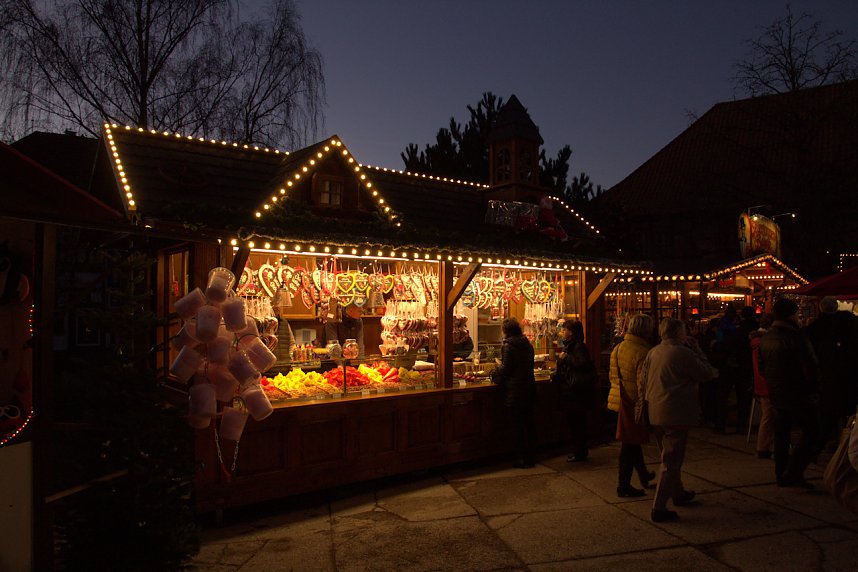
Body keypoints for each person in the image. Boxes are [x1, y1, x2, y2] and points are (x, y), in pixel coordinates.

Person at [639, 317, 715, 523]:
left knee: (667, 455)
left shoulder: (653, 352)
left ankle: (678, 492)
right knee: (671, 461)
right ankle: (659, 506)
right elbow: (706, 373)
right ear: (680, 333)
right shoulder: (682, 353)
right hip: (675, 410)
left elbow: (643, 380)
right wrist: (698, 350)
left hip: (655, 409)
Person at [758, 298, 821, 489]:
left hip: (777, 393)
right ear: (792, 314)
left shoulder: (767, 338)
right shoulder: (796, 337)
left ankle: (782, 473)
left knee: (782, 434)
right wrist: (814, 389)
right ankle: (793, 470)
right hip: (798, 393)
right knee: (813, 433)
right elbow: (810, 368)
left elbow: (762, 368)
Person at [607, 313, 657, 497]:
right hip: (632, 404)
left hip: (618, 400)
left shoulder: (618, 348)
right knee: (629, 446)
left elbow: (613, 377)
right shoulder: (643, 352)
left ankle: (643, 475)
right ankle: (623, 485)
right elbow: (642, 385)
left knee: (631, 442)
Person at [803, 296, 858, 452]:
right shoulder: (849, 327)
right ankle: (843, 441)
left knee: (827, 415)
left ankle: (825, 444)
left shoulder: (814, 330)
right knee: (846, 412)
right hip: (847, 378)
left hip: (825, 379)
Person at [491, 317, 537, 468]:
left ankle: (520, 458)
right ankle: (530, 457)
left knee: (517, 426)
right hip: (529, 388)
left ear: (506, 331)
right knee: (528, 424)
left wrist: (496, 368)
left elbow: (506, 370)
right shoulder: (526, 343)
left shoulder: (508, 346)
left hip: (516, 390)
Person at [553, 319, 597, 463]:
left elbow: (582, 364)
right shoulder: (571, 346)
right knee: (575, 422)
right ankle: (578, 450)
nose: (562, 332)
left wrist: (566, 358)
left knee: (577, 422)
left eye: (565, 330)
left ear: (571, 332)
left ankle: (580, 452)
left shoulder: (578, 347)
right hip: (572, 391)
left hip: (576, 391)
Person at [714, 305, 756, 434]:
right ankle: (741, 426)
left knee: (723, 396)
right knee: (742, 398)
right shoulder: (754, 329)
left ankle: (720, 425)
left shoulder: (734, 329)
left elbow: (724, 345)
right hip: (745, 366)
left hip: (730, 366)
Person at [750, 313, 775, 459]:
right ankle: (763, 447)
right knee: (769, 416)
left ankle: (764, 446)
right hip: (768, 383)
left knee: (768, 415)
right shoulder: (765, 342)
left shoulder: (757, 342)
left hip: (761, 383)